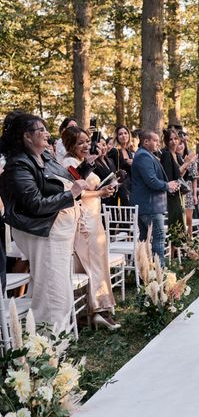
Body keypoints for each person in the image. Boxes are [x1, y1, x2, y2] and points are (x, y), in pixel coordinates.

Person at [0, 113, 89, 331]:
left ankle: (58, 346)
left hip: (61, 234)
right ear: (26, 136)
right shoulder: (18, 165)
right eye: (41, 130)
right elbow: (35, 204)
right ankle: (48, 352)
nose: (47, 134)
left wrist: (81, 181)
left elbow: (69, 180)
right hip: (44, 234)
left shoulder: (46, 158)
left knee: (63, 293)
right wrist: (70, 196)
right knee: (53, 295)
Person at [61, 127, 120, 330]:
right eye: (80, 142)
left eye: (87, 141)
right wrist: (99, 193)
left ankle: (100, 309)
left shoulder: (84, 163)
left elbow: (91, 187)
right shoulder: (68, 163)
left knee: (99, 264)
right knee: (92, 266)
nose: (86, 145)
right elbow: (76, 193)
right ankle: (96, 310)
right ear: (70, 145)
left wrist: (105, 188)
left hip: (95, 218)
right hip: (84, 221)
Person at [130, 129, 179, 264]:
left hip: (148, 205)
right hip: (150, 205)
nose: (158, 143)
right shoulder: (143, 156)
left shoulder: (147, 155)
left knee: (145, 238)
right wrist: (167, 185)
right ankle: (159, 269)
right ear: (146, 141)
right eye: (155, 140)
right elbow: (151, 180)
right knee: (159, 237)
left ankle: (144, 269)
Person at [161, 128, 196, 235]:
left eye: (175, 138)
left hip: (179, 194)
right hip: (171, 195)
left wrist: (185, 163)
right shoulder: (166, 155)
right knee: (175, 224)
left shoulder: (177, 155)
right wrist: (187, 163)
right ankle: (174, 251)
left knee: (180, 223)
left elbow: (180, 175)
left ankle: (179, 250)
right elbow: (171, 177)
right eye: (170, 139)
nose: (174, 141)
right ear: (166, 141)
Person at [108, 125, 134, 206]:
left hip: (130, 185)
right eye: (120, 134)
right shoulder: (114, 151)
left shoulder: (129, 151)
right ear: (117, 137)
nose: (123, 136)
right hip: (120, 187)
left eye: (126, 133)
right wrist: (126, 163)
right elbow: (111, 169)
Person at [177, 140, 198, 237]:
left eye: (181, 143)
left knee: (188, 219)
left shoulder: (191, 158)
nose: (179, 146)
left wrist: (194, 195)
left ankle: (189, 242)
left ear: (185, 145)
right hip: (177, 188)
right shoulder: (173, 157)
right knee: (179, 218)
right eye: (178, 144)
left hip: (188, 189)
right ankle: (179, 243)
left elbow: (194, 178)